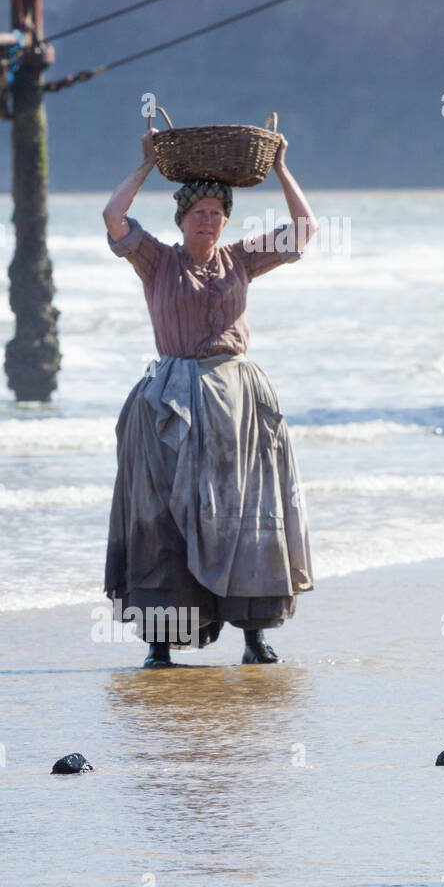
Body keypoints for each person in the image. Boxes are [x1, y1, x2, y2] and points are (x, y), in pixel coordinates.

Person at [102, 129, 315, 666]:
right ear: (181, 219)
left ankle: (254, 637)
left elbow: (304, 229)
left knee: (245, 514)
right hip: (172, 400)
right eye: (198, 211)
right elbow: (113, 216)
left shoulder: (241, 259)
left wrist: (282, 168)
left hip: (240, 402)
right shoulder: (157, 261)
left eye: (218, 212)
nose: (208, 220)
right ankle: (159, 644)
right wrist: (146, 163)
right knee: (163, 517)